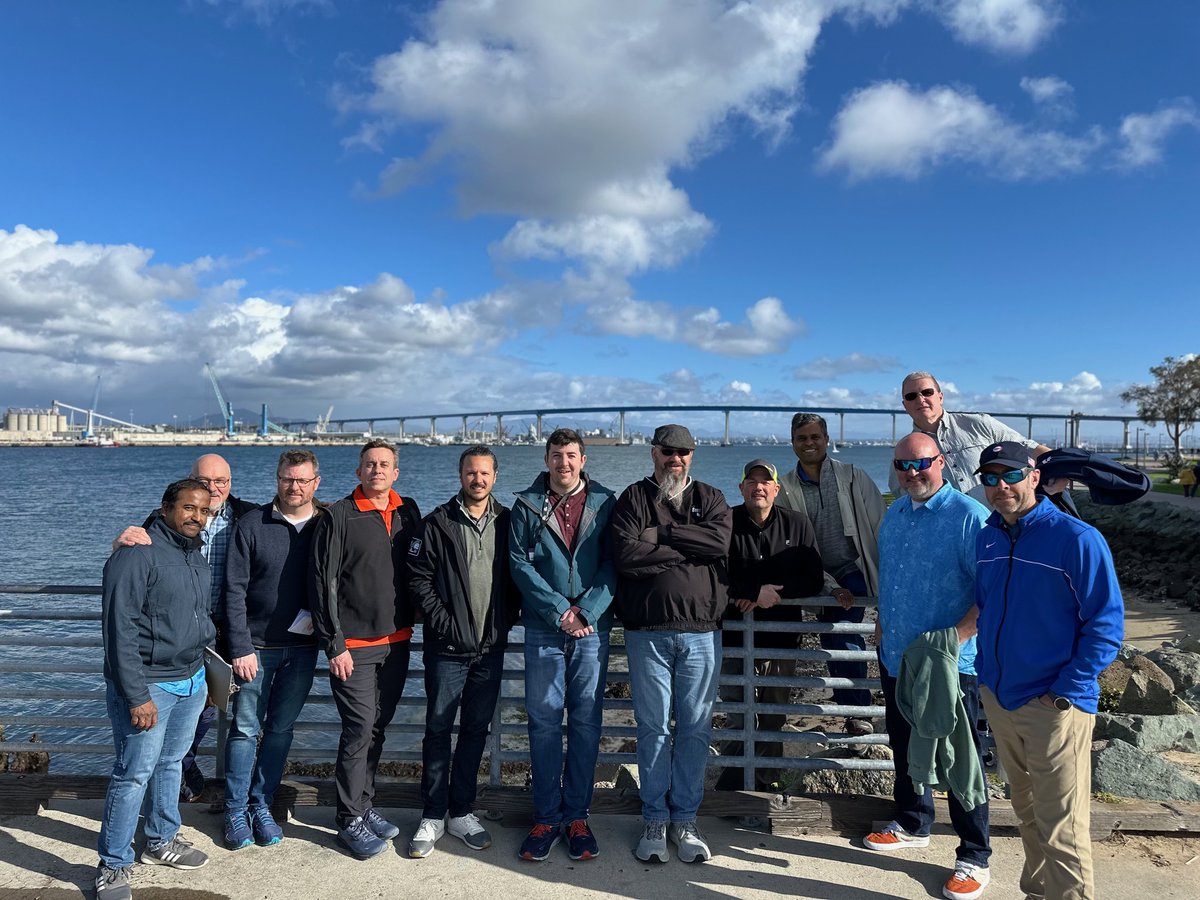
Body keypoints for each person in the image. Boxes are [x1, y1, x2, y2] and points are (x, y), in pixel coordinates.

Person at [975, 441, 1124, 900]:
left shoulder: (1077, 538)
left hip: (1054, 705)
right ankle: (1038, 891)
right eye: (991, 478)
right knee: (1025, 811)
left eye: (1012, 475)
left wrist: (1064, 690)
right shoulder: (986, 537)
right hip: (1001, 699)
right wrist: (986, 680)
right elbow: (987, 607)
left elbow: (1106, 624)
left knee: (1064, 827)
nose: (1001, 486)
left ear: (1034, 477)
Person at [864, 433, 993, 900]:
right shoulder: (895, 514)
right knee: (904, 745)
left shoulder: (969, 516)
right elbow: (893, 578)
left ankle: (974, 856)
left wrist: (955, 639)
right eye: (902, 465)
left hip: (949, 664)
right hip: (897, 655)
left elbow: (990, 591)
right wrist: (883, 620)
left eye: (921, 463)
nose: (912, 473)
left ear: (941, 461)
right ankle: (914, 822)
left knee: (960, 757)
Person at [611, 423, 732, 864]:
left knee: (696, 728)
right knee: (654, 728)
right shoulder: (633, 498)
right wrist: (691, 548)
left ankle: (686, 819)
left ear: (692, 456)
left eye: (682, 452)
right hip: (647, 634)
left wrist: (660, 537)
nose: (674, 459)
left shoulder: (711, 497)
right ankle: (655, 818)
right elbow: (625, 556)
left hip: (703, 633)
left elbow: (719, 542)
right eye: (667, 451)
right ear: (653, 453)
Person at [112, 453, 258, 803]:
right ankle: (176, 774)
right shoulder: (162, 519)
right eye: (205, 482)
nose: (213, 488)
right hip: (177, 630)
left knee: (208, 707)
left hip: (226, 627)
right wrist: (117, 546)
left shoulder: (249, 516)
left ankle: (183, 771)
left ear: (231, 483)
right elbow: (135, 564)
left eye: (221, 481)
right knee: (181, 709)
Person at [96, 479, 216, 900]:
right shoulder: (137, 553)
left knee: (171, 764)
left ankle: (160, 840)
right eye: (188, 508)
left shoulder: (196, 555)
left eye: (204, 511)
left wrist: (206, 674)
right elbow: (118, 629)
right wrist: (136, 695)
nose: (196, 517)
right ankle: (112, 865)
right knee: (132, 775)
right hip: (150, 684)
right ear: (166, 508)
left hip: (192, 678)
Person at [406, 445, 521, 859]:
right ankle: (433, 814)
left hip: (489, 650)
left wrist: (504, 622)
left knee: (475, 732)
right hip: (447, 649)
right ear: (461, 475)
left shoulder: (509, 522)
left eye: (485, 473)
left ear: (495, 476)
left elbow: (519, 577)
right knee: (437, 730)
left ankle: (461, 812)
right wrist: (447, 625)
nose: (478, 480)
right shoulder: (436, 523)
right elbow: (418, 580)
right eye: (471, 473)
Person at [310, 439, 422, 859]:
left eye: (385, 464)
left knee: (378, 726)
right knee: (359, 728)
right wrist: (333, 643)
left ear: (395, 473)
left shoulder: (407, 511)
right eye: (369, 464)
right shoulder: (339, 515)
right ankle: (347, 818)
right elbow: (324, 583)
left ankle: (364, 803)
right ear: (358, 472)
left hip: (397, 641)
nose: (377, 470)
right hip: (353, 647)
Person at [509, 429, 617, 861]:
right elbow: (518, 563)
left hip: (593, 629)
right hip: (543, 628)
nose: (564, 464)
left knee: (587, 722)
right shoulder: (525, 504)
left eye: (571, 456)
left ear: (583, 459)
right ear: (546, 458)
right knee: (544, 722)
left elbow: (616, 562)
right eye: (557, 456)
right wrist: (560, 611)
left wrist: (586, 611)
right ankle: (546, 817)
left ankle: (578, 816)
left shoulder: (606, 503)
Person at [220, 449, 324, 850]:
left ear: (316, 482)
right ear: (277, 479)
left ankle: (261, 804)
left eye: (301, 480)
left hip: (303, 648)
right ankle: (234, 810)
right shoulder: (252, 524)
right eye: (287, 479)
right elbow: (233, 589)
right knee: (245, 730)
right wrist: (240, 646)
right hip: (256, 649)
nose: (294, 487)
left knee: (280, 730)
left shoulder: (327, 524)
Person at [718, 458, 824, 791]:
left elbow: (813, 579)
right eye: (752, 480)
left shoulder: (798, 524)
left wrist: (772, 594)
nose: (758, 487)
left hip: (781, 636)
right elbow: (713, 575)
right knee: (738, 712)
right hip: (735, 635)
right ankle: (734, 784)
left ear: (777, 489)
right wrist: (749, 592)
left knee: (775, 712)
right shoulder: (725, 522)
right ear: (741, 488)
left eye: (766, 482)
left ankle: (765, 781)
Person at [775, 412, 882, 736]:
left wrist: (886, 577)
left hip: (853, 568)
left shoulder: (853, 477)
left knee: (844, 631)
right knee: (830, 635)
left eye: (815, 437)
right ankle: (852, 711)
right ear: (792, 443)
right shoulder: (786, 487)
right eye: (802, 438)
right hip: (815, 573)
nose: (809, 443)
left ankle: (858, 712)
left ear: (826, 439)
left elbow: (879, 524)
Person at [889, 371, 1050, 503]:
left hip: (999, 527)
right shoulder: (904, 453)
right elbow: (903, 496)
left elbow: (1028, 448)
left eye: (927, 392)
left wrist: (1060, 470)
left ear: (940, 396)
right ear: (904, 405)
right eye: (911, 396)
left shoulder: (979, 423)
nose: (920, 399)